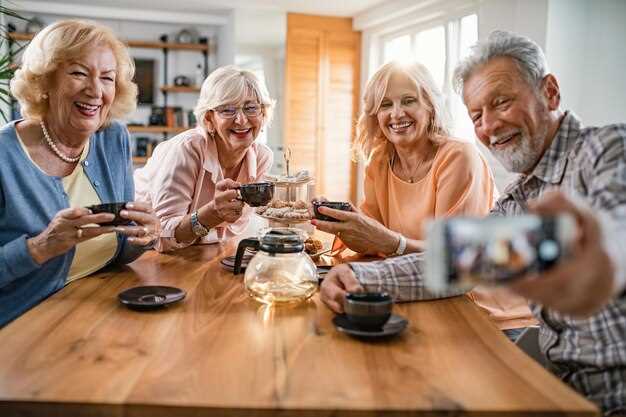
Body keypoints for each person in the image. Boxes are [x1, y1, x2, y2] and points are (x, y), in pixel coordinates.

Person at [320, 31, 626, 416]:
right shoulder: (519, 197)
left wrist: (590, 254)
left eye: (501, 102)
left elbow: (616, 235)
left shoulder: (608, 149)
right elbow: (456, 264)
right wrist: (360, 279)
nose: (490, 126)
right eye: (477, 115)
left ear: (549, 92)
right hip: (559, 384)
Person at [313, 61, 536, 339]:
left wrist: (391, 243)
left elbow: (457, 263)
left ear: (430, 106)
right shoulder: (380, 161)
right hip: (423, 297)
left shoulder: (457, 157)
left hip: (486, 310)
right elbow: (371, 245)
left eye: (408, 101)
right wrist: (347, 225)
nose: (396, 114)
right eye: (385, 104)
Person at [1, 20, 161, 327]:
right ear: (45, 82)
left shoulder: (112, 137)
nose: (96, 90)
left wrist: (143, 236)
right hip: (20, 324)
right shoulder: (4, 155)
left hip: (96, 309)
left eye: (107, 78)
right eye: (78, 73)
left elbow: (119, 250)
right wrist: (40, 247)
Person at [134, 66, 275, 252]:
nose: (241, 120)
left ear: (263, 114)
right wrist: (211, 214)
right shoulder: (187, 149)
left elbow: (231, 230)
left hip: (203, 252)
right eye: (227, 110)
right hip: (139, 251)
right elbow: (161, 237)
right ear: (209, 118)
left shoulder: (262, 157)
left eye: (251, 108)